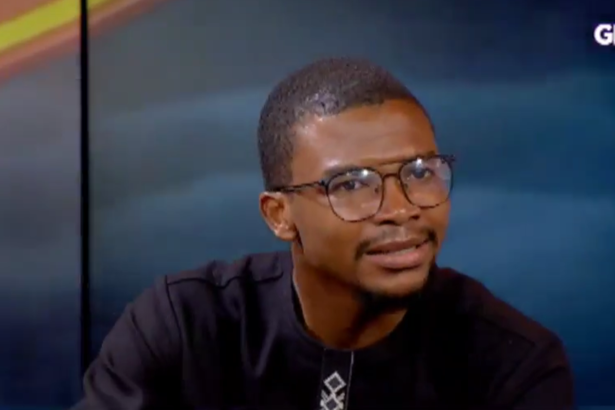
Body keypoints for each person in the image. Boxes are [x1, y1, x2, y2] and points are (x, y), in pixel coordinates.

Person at [73, 57, 574, 409]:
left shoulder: (514, 365)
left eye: (421, 173)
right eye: (352, 184)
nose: (401, 209)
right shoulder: (183, 327)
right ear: (279, 215)